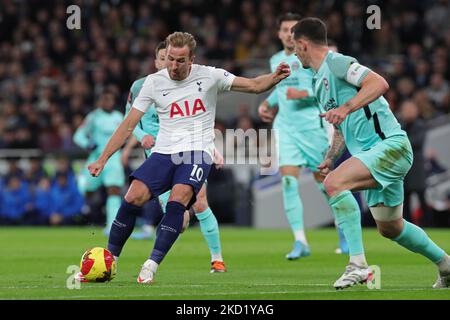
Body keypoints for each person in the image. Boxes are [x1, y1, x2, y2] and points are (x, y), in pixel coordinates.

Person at [85, 31, 290, 284]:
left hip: (196, 151)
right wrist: (103, 159)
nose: (173, 65)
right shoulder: (153, 82)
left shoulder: (210, 75)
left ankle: (151, 265)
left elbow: (254, 85)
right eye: (170, 59)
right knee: (132, 196)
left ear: (191, 59)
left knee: (179, 199)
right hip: (164, 151)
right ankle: (110, 261)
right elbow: (128, 125)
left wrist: (275, 77)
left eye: (180, 60)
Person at [291, 17, 450, 289]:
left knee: (335, 184)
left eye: (294, 46)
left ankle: (358, 265)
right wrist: (330, 157)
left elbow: (379, 83)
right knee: (391, 227)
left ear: (303, 44)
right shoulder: (319, 82)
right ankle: (446, 266)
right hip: (372, 154)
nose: (294, 52)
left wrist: (347, 107)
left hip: (390, 146)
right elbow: (341, 127)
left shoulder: (337, 62)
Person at [121, 40, 228, 273]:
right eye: (163, 58)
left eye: (173, 59)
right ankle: (153, 259)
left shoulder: (189, 85)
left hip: (190, 152)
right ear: (157, 60)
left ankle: (216, 259)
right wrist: (141, 137)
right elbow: (129, 120)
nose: (167, 63)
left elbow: (199, 120)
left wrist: (212, 149)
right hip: (160, 156)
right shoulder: (143, 86)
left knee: (200, 202)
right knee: (178, 220)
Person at [258, 13, 354, 260]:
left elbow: (325, 88)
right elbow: (281, 91)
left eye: (293, 29)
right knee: (288, 182)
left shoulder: (312, 59)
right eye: (285, 29)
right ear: (279, 33)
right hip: (286, 129)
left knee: (325, 183)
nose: (289, 34)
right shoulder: (276, 60)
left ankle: (343, 231)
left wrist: (301, 94)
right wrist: (267, 104)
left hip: (313, 127)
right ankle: (300, 241)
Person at [73, 89, 125, 234]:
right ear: (99, 101)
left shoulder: (119, 117)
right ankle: (84, 209)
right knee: (88, 189)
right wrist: (87, 144)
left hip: (113, 158)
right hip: (96, 158)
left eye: (110, 99)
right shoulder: (93, 117)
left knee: (114, 190)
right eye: (104, 99)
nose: (107, 102)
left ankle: (111, 226)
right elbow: (78, 135)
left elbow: (126, 133)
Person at [398, 100, 430, 226]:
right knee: (405, 199)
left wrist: (401, 142)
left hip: (417, 168)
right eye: (406, 110)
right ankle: (407, 225)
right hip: (405, 168)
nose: (409, 112)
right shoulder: (400, 125)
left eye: (411, 109)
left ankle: (428, 224)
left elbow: (416, 142)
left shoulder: (420, 125)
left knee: (422, 198)